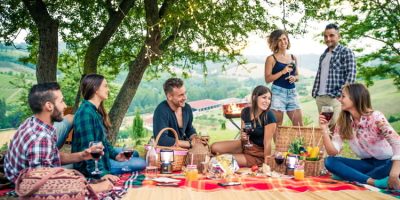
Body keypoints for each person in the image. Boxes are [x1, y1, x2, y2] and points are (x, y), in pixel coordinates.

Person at [4, 82, 113, 192]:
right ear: (49, 106)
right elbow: (43, 187)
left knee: (76, 172)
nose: (65, 106)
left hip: (17, 174)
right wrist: (95, 188)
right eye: (61, 101)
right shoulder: (41, 139)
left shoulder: (33, 122)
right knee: (78, 176)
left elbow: (52, 156)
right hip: (23, 184)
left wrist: (83, 155)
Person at [320, 83, 400, 190]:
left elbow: (397, 143)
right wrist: (324, 128)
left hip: (387, 163)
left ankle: (351, 175)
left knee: (391, 168)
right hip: (366, 164)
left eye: (343, 96)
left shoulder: (376, 117)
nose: (339, 99)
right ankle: (373, 181)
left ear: (355, 98)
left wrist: (394, 173)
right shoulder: (344, 122)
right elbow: (332, 152)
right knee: (329, 161)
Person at [72, 74, 146, 179]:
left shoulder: (94, 111)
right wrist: (102, 175)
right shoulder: (86, 113)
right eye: (105, 86)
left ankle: (114, 159)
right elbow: (88, 150)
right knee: (141, 163)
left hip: (102, 155)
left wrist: (116, 156)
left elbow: (104, 142)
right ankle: (109, 168)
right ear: (95, 89)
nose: (108, 89)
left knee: (136, 153)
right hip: (91, 167)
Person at [210, 86, 277, 167]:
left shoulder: (269, 116)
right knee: (214, 147)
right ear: (255, 97)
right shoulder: (245, 112)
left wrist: (267, 164)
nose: (267, 101)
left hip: (257, 154)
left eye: (269, 99)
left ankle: (247, 160)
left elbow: (267, 143)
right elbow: (243, 133)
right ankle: (238, 156)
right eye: (264, 98)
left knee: (222, 159)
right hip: (244, 146)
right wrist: (242, 136)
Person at [312, 23, 356, 130]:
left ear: (338, 36)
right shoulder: (324, 55)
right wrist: (315, 93)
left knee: (337, 129)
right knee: (325, 129)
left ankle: (336, 147)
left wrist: (341, 95)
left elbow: (351, 75)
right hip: (321, 97)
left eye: (331, 35)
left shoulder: (346, 52)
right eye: (326, 36)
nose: (328, 39)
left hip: (335, 98)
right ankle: (328, 147)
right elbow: (320, 75)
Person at [265, 29, 303, 128]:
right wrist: (283, 72)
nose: (283, 42)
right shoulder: (271, 59)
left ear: (288, 40)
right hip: (277, 93)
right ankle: (278, 144)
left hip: (292, 93)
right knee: (277, 126)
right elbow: (268, 79)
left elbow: (298, 76)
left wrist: (294, 78)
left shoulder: (293, 57)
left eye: (284, 39)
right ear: (275, 42)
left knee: (299, 126)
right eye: (279, 40)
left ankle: (300, 144)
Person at [153, 78, 206, 148]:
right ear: (169, 96)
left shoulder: (187, 108)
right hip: (166, 153)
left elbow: (189, 129)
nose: (185, 97)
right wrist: (189, 144)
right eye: (180, 95)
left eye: (185, 93)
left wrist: (195, 139)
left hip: (181, 151)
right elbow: (162, 140)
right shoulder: (161, 111)